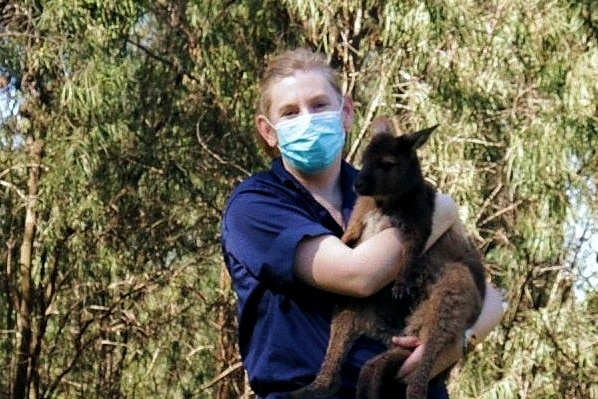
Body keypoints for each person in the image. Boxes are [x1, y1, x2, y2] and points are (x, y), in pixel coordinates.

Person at [220, 47, 504, 399]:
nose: (307, 119)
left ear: (347, 113)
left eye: (320, 105)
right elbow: (359, 275)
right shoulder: (256, 206)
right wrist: (442, 209)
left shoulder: (388, 187)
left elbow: (487, 295)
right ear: (268, 131)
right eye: (290, 112)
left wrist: (456, 338)